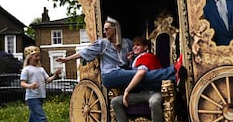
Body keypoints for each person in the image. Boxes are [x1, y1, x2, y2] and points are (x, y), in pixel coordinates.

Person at [56, 17, 184, 89]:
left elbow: (131, 60)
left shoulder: (126, 43)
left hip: (124, 72)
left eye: (107, 29)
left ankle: (173, 78)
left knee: (143, 79)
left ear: (115, 29)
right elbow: (84, 52)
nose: (105, 31)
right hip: (110, 75)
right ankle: (173, 69)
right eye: (104, 29)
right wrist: (67, 59)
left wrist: (130, 57)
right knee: (140, 73)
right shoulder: (102, 43)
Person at [111, 36, 166, 122]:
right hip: (142, 94)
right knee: (115, 101)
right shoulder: (136, 59)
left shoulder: (147, 57)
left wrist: (127, 91)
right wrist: (130, 61)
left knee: (154, 101)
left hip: (154, 92)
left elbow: (141, 73)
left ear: (145, 47)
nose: (135, 47)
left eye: (138, 45)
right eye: (134, 45)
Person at [20, 46, 62, 122]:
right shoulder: (26, 70)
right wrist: (30, 86)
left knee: (34, 120)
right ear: (29, 57)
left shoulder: (41, 69)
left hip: (40, 96)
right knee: (41, 118)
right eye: (35, 56)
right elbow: (22, 83)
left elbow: (48, 80)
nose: (38, 58)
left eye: (38, 56)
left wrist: (55, 75)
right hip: (32, 97)